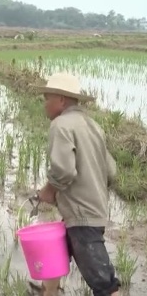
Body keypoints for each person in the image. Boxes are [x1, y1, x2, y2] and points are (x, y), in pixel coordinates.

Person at [31, 73, 121, 296]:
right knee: (57, 253)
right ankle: (47, 292)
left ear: (61, 100)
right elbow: (111, 171)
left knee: (103, 282)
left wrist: (48, 191)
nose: (44, 104)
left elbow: (63, 171)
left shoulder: (60, 125)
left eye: (47, 98)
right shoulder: (92, 125)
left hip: (82, 217)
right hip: (94, 209)